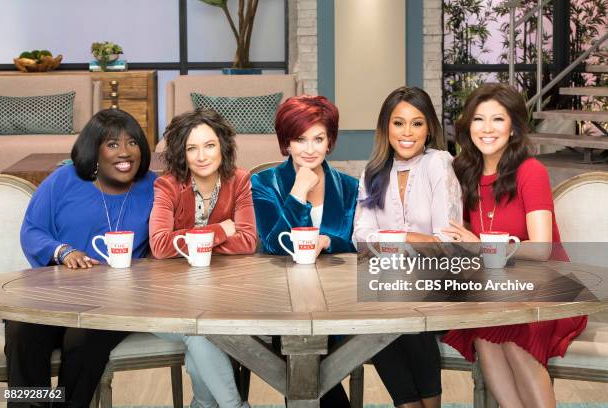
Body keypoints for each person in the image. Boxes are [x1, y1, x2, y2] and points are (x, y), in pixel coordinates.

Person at [441, 83, 587, 407]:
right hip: (498, 286)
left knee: (515, 342)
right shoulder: (465, 171)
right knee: (485, 336)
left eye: (498, 119)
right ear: (468, 126)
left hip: (547, 283)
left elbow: (541, 248)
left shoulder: (530, 171)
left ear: (514, 127)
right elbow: (460, 232)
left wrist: (478, 247)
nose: (487, 129)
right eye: (479, 119)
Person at [5, 109, 156, 408]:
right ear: (93, 150)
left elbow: (165, 243)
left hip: (117, 301)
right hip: (53, 294)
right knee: (21, 329)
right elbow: (32, 230)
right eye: (112, 144)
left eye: (133, 143)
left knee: (82, 337)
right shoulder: (64, 180)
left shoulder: (154, 188)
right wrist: (63, 251)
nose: (125, 153)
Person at [353, 86, 462, 408]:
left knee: (401, 298)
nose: (407, 132)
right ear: (386, 127)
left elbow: (447, 243)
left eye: (417, 123)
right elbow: (360, 235)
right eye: (398, 123)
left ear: (429, 128)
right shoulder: (373, 172)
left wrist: (393, 239)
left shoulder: (439, 164)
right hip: (388, 284)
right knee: (381, 306)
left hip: (439, 284)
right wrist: (411, 241)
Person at [251, 95, 358, 408]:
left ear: (330, 142)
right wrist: (298, 191)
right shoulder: (264, 182)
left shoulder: (350, 186)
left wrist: (329, 242)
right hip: (281, 298)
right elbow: (273, 244)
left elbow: (356, 241)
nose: (310, 149)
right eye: (300, 139)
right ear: (286, 143)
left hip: (338, 299)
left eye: (318, 139)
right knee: (305, 355)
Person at [149, 108, 256, 408]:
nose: (202, 156)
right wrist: (221, 230)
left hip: (224, 297)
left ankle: (204, 405)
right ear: (182, 154)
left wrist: (188, 240)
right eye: (191, 148)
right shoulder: (167, 185)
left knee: (200, 331)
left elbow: (248, 241)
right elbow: (158, 245)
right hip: (167, 301)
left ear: (222, 145)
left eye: (209, 145)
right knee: (197, 330)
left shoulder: (240, 180)